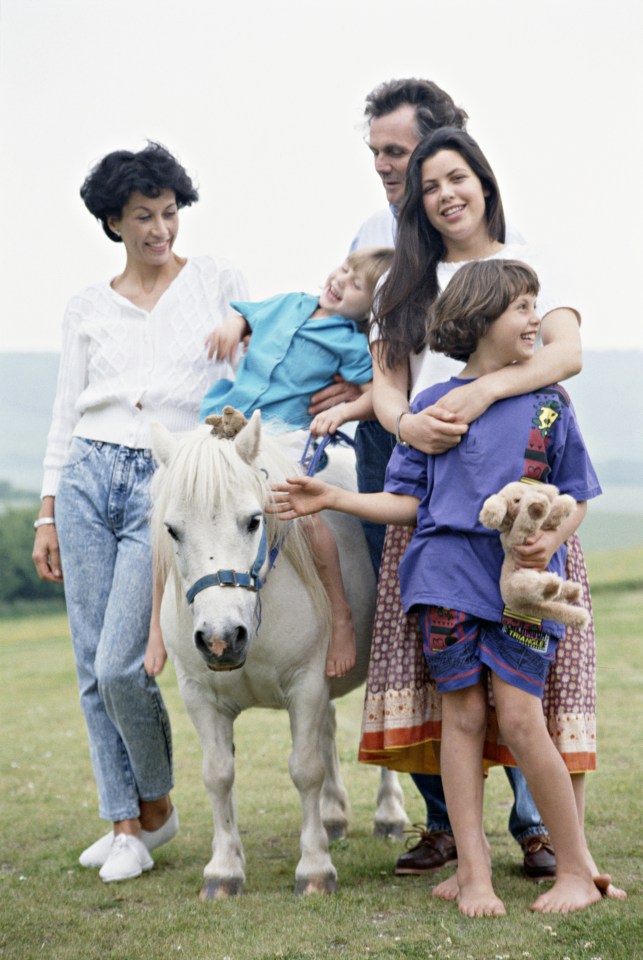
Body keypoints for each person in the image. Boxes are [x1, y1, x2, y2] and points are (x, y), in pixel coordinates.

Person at [269, 258, 606, 917]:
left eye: (535, 304)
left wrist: (554, 533)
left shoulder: (547, 407)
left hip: (522, 590)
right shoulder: (430, 409)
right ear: (479, 319)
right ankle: (472, 873)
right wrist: (336, 495)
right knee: (461, 718)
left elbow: (576, 495)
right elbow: (407, 505)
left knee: (518, 717)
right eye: (521, 306)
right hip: (443, 584)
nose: (535, 317)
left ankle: (572, 870)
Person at [309, 78, 553, 881]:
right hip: (419, 484)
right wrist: (399, 417)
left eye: (401, 153)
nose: (390, 169)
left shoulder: (512, 265)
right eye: (380, 156)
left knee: (512, 667)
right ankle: (449, 828)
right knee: (429, 659)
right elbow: (384, 375)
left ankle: (534, 825)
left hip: (507, 487)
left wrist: (477, 392)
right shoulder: (397, 272)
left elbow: (561, 350)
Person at [32, 142, 248, 883]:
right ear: (113, 223)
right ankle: (123, 821)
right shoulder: (87, 307)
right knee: (90, 662)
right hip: (89, 473)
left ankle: (155, 806)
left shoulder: (218, 282)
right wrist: (47, 511)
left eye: (168, 213)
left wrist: (244, 342)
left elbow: (252, 368)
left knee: (122, 662)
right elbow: (65, 414)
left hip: (169, 480)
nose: (160, 229)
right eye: (142, 218)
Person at [197, 246, 394, 677]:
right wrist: (234, 325)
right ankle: (168, 623)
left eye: (356, 284)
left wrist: (344, 408)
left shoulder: (350, 343)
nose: (341, 280)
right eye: (343, 268)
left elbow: (379, 392)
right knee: (188, 507)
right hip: (226, 423)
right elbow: (249, 316)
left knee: (304, 518)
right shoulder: (290, 303)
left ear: (372, 307)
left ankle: (340, 616)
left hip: (283, 440)